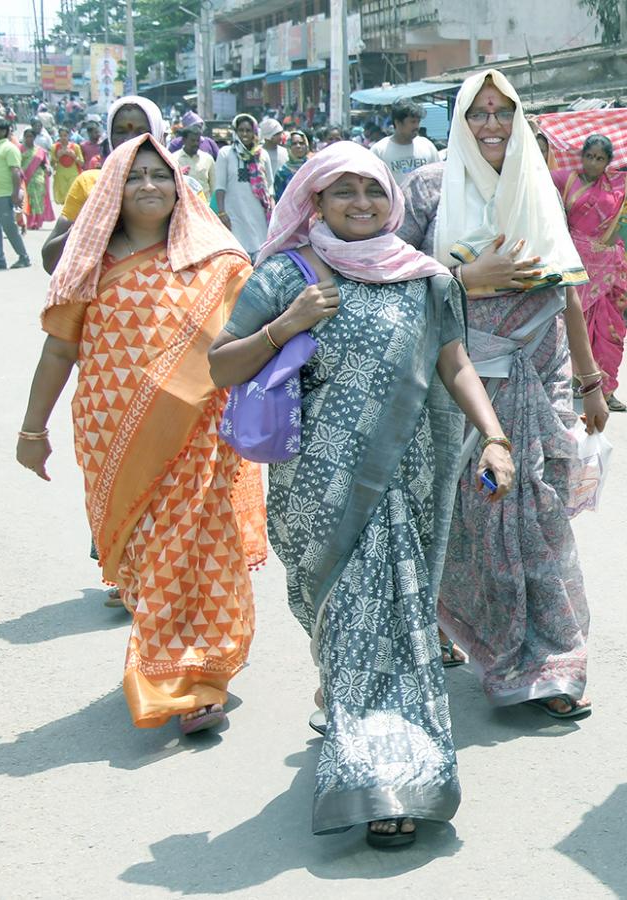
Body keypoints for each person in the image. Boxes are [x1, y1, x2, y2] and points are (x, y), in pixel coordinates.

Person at [208, 143, 515, 846]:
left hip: (399, 486)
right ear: (313, 202)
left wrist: (494, 436)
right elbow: (220, 364)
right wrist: (287, 325)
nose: (361, 205)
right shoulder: (286, 275)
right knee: (343, 626)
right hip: (312, 493)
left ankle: (387, 779)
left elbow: (455, 362)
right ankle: (353, 715)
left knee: (391, 632)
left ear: (392, 201)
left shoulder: (426, 280)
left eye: (372, 191)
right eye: (342, 192)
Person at [17, 134, 262, 734]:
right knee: (148, 558)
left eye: (160, 174)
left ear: (180, 186)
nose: (148, 185)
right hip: (112, 436)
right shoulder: (89, 265)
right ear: (112, 191)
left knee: (196, 549)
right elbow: (58, 352)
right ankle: (181, 664)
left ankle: (192, 680)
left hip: (202, 437)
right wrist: (31, 429)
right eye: (134, 176)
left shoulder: (220, 265)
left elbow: (259, 342)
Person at [399, 69, 608, 718]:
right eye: (478, 112)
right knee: (471, 518)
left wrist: (590, 379)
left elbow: (565, 285)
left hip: (537, 378)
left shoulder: (534, 184)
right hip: (460, 382)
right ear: (459, 122)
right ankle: (455, 623)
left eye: (503, 111)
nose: (491, 123)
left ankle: (551, 663)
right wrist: (465, 276)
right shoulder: (429, 189)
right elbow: (389, 276)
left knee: (540, 515)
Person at [42, 95, 167, 274]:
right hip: (102, 298)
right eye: (121, 131)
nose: (130, 140)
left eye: (141, 131)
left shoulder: (178, 188)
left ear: (157, 134)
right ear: (109, 135)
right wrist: (91, 218)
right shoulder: (90, 184)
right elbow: (50, 264)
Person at [552, 135, 627, 411]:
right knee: (574, 325)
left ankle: (607, 391)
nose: (593, 163)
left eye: (600, 158)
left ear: (608, 162)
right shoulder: (564, 179)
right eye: (589, 156)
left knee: (610, 330)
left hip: (609, 270)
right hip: (576, 266)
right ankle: (577, 382)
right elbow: (534, 179)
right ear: (581, 156)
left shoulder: (618, 184)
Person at [215, 113, 274, 261]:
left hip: (259, 213)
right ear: (235, 131)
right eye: (241, 130)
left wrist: (272, 210)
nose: (244, 134)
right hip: (234, 212)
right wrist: (222, 213)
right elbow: (220, 187)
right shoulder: (225, 154)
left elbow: (270, 186)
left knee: (260, 253)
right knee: (237, 254)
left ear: (254, 132)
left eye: (248, 130)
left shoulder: (262, 155)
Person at [371, 99, 438, 187]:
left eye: (418, 122)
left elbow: (438, 178)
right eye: (412, 122)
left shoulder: (427, 146)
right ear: (398, 123)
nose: (417, 127)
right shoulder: (379, 151)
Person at [0, 115, 31, 269]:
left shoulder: (9, 148)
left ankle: (23, 257)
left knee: (9, 228)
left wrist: (16, 194)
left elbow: (16, 172)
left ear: (3, 131)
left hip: (4, 194)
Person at [20, 127, 55, 230]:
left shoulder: (40, 151)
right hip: (24, 178)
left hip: (38, 178)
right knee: (28, 200)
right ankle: (28, 221)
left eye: (31, 136)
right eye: (27, 137)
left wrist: (48, 169)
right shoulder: (19, 149)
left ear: (34, 137)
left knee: (38, 200)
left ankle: (37, 222)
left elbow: (45, 164)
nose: (28, 139)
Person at [172, 125, 215, 202]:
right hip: (183, 205)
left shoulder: (208, 159)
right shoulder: (173, 159)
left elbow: (214, 187)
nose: (196, 143)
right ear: (184, 140)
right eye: (192, 140)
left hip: (205, 206)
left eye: (198, 141)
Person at [273, 130, 310, 201]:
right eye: (294, 144)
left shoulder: (313, 167)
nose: (298, 146)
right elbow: (280, 199)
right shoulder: (282, 172)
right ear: (289, 146)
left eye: (301, 143)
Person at [50, 126, 83, 204]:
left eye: (65, 135)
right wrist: (58, 156)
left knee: (73, 196)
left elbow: (81, 163)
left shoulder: (75, 147)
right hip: (60, 175)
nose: (63, 138)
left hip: (73, 174)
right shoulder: (54, 147)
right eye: (61, 136)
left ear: (69, 136)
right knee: (63, 199)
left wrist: (73, 156)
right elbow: (52, 163)